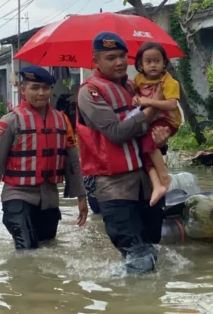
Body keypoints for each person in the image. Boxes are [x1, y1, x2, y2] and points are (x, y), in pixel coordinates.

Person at [75, 31, 172, 274]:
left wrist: (162, 139)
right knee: (137, 256)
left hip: (147, 184)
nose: (119, 62)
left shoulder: (135, 86)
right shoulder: (90, 92)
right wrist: (149, 112)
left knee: (152, 249)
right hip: (114, 187)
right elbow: (116, 133)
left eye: (122, 56)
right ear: (95, 62)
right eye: (110, 58)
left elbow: (150, 131)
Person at [0, 66, 89, 249]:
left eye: (46, 88)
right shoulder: (10, 121)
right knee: (27, 249)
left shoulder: (62, 120)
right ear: (23, 90)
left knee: (48, 248)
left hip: (49, 198)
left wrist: (81, 197)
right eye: (35, 88)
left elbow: (72, 162)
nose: (41, 93)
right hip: (17, 196)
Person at [132, 42, 183, 207]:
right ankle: (157, 183)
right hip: (150, 120)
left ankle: (163, 177)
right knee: (144, 148)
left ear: (164, 63)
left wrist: (150, 101)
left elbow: (172, 105)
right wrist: (135, 99)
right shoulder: (138, 80)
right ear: (140, 64)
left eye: (157, 61)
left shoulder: (169, 81)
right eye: (148, 62)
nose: (153, 65)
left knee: (148, 143)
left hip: (167, 120)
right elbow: (135, 97)